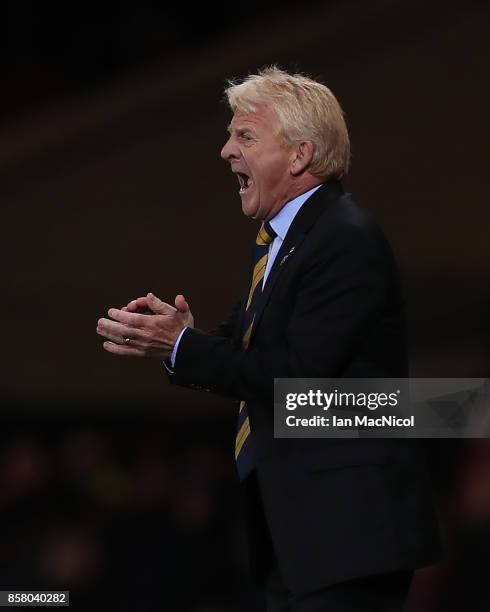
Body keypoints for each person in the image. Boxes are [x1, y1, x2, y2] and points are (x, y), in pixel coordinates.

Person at [97, 67, 441, 611]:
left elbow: (295, 380)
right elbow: (243, 351)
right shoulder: (286, 242)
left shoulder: (344, 240)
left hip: (346, 538)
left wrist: (182, 347)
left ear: (300, 155)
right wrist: (180, 337)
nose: (225, 150)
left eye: (245, 136)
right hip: (303, 536)